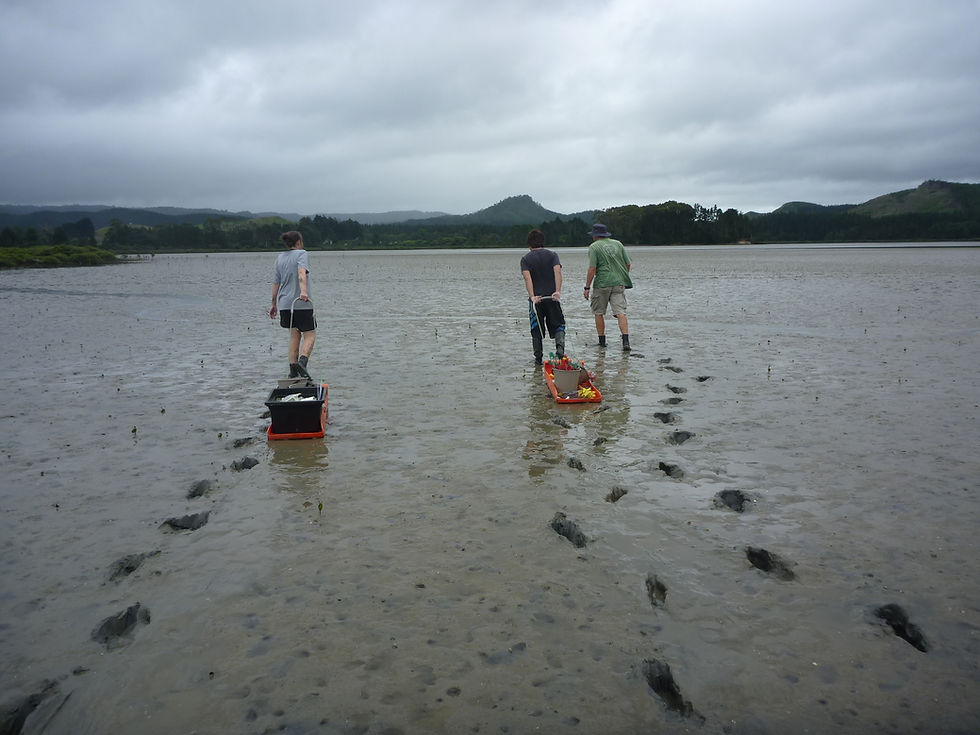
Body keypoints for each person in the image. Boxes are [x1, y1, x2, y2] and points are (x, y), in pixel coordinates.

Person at [269, 230, 316, 378]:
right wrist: (304, 292)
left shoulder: (280, 258)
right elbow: (301, 273)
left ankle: (293, 371)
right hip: (300, 303)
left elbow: (276, 283)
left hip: (284, 305)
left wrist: (274, 304)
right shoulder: (302, 253)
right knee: (310, 335)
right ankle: (302, 362)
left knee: (294, 334)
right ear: (299, 242)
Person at [583, 223, 632, 351]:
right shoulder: (618, 244)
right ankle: (625, 341)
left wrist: (587, 287)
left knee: (598, 312)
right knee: (621, 312)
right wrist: (622, 277)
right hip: (618, 283)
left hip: (602, 283)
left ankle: (602, 342)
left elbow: (592, 268)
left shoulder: (594, 247)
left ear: (595, 236)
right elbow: (628, 264)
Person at [520, 228, 565, 364]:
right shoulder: (553, 255)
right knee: (558, 325)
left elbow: (527, 279)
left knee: (536, 329)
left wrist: (532, 296)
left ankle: (538, 358)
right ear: (542, 242)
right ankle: (560, 351)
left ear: (529, 244)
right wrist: (557, 291)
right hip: (552, 297)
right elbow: (557, 272)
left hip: (536, 301)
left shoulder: (525, 259)